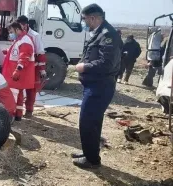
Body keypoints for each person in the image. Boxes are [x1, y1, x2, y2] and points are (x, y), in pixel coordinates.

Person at [73, 4, 122, 169]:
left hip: (99, 87)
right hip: (94, 86)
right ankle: (89, 152)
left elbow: (106, 64)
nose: (85, 23)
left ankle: (92, 160)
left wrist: (83, 67)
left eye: (85, 19)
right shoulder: (100, 33)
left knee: (87, 122)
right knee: (93, 122)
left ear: (93, 17)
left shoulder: (108, 35)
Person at [2, 22, 35, 121]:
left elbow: (24, 57)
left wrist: (18, 70)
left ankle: (11, 115)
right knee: (19, 95)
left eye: (11, 31)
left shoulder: (25, 41)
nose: (10, 33)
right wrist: (6, 52)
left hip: (16, 74)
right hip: (15, 74)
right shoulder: (19, 39)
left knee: (13, 95)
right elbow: (16, 52)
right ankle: (18, 115)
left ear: (17, 30)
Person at [16, 15, 47, 118]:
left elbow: (40, 53)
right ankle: (18, 111)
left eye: (20, 26)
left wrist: (42, 70)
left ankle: (29, 110)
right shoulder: (18, 34)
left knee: (31, 90)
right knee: (19, 88)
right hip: (21, 66)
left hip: (32, 68)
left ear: (25, 25)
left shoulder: (35, 36)